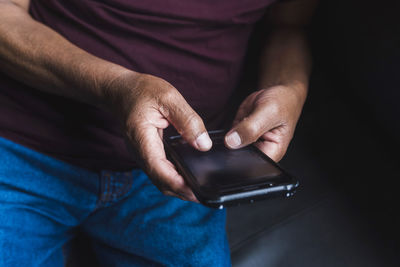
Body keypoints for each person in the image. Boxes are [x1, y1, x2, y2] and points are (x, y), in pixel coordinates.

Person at [0, 0, 316, 266]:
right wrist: (116, 86)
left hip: (185, 166)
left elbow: (288, 26)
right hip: (21, 145)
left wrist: (290, 88)